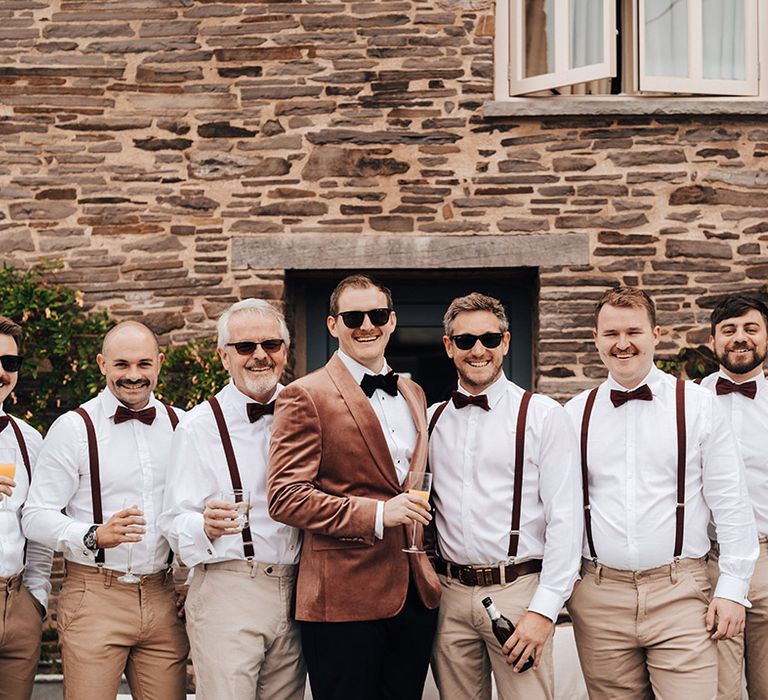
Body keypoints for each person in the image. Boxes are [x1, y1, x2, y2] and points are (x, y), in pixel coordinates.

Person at [563, 285, 758, 700]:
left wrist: (732, 587)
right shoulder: (574, 412)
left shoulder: (699, 405)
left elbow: (731, 502)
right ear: (596, 339)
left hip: (681, 591)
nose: (622, 343)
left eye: (633, 331)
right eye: (611, 334)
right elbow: (562, 509)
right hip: (599, 597)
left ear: (656, 333)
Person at [268, 274, 441, 700]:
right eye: (353, 316)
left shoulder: (413, 391)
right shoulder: (303, 394)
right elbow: (285, 496)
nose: (367, 325)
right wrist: (379, 514)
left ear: (393, 321)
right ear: (333, 325)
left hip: (414, 596)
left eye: (377, 314)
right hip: (341, 600)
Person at [23, 321, 189, 700]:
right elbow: (35, 514)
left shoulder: (183, 425)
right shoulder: (74, 428)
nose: (133, 376)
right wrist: (92, 534)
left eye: (144, 364)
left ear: (160, 363)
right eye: (121, 365)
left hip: (162, 595)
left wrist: (192, 579)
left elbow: (194, 508)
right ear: (101, 364)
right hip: (95, 594)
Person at [428, 293, 581, 700]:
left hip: (518, 590)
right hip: (450, 593)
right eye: (465, 341)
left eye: (489, 339)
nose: (478, 350)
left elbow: (567, 521)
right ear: (449, 347)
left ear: (506, 342)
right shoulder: (431, 419)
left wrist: (544, 611)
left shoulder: (543, 414)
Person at [159, 299, 304, 699]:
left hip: (298, 588)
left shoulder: (308, 409)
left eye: (271, 345)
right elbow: (172, 520)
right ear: (224, 356)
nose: (260, 355)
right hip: (230, 586)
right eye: (245, 347)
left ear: (285, 352)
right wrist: (203, 525)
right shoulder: (197, 427)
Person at [699, 295, 768, 699]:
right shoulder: (688, 402)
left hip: (767, 558)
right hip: (710, 564)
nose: (739, 338)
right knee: (717, 690)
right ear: (712, 340)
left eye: (750, 328)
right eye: (729, 330)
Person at [0, 316, 52, 700]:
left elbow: (37, 523)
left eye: (10, 363)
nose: (2, 372)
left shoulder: (30, 439)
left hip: (18, 605)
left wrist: (36, 599)